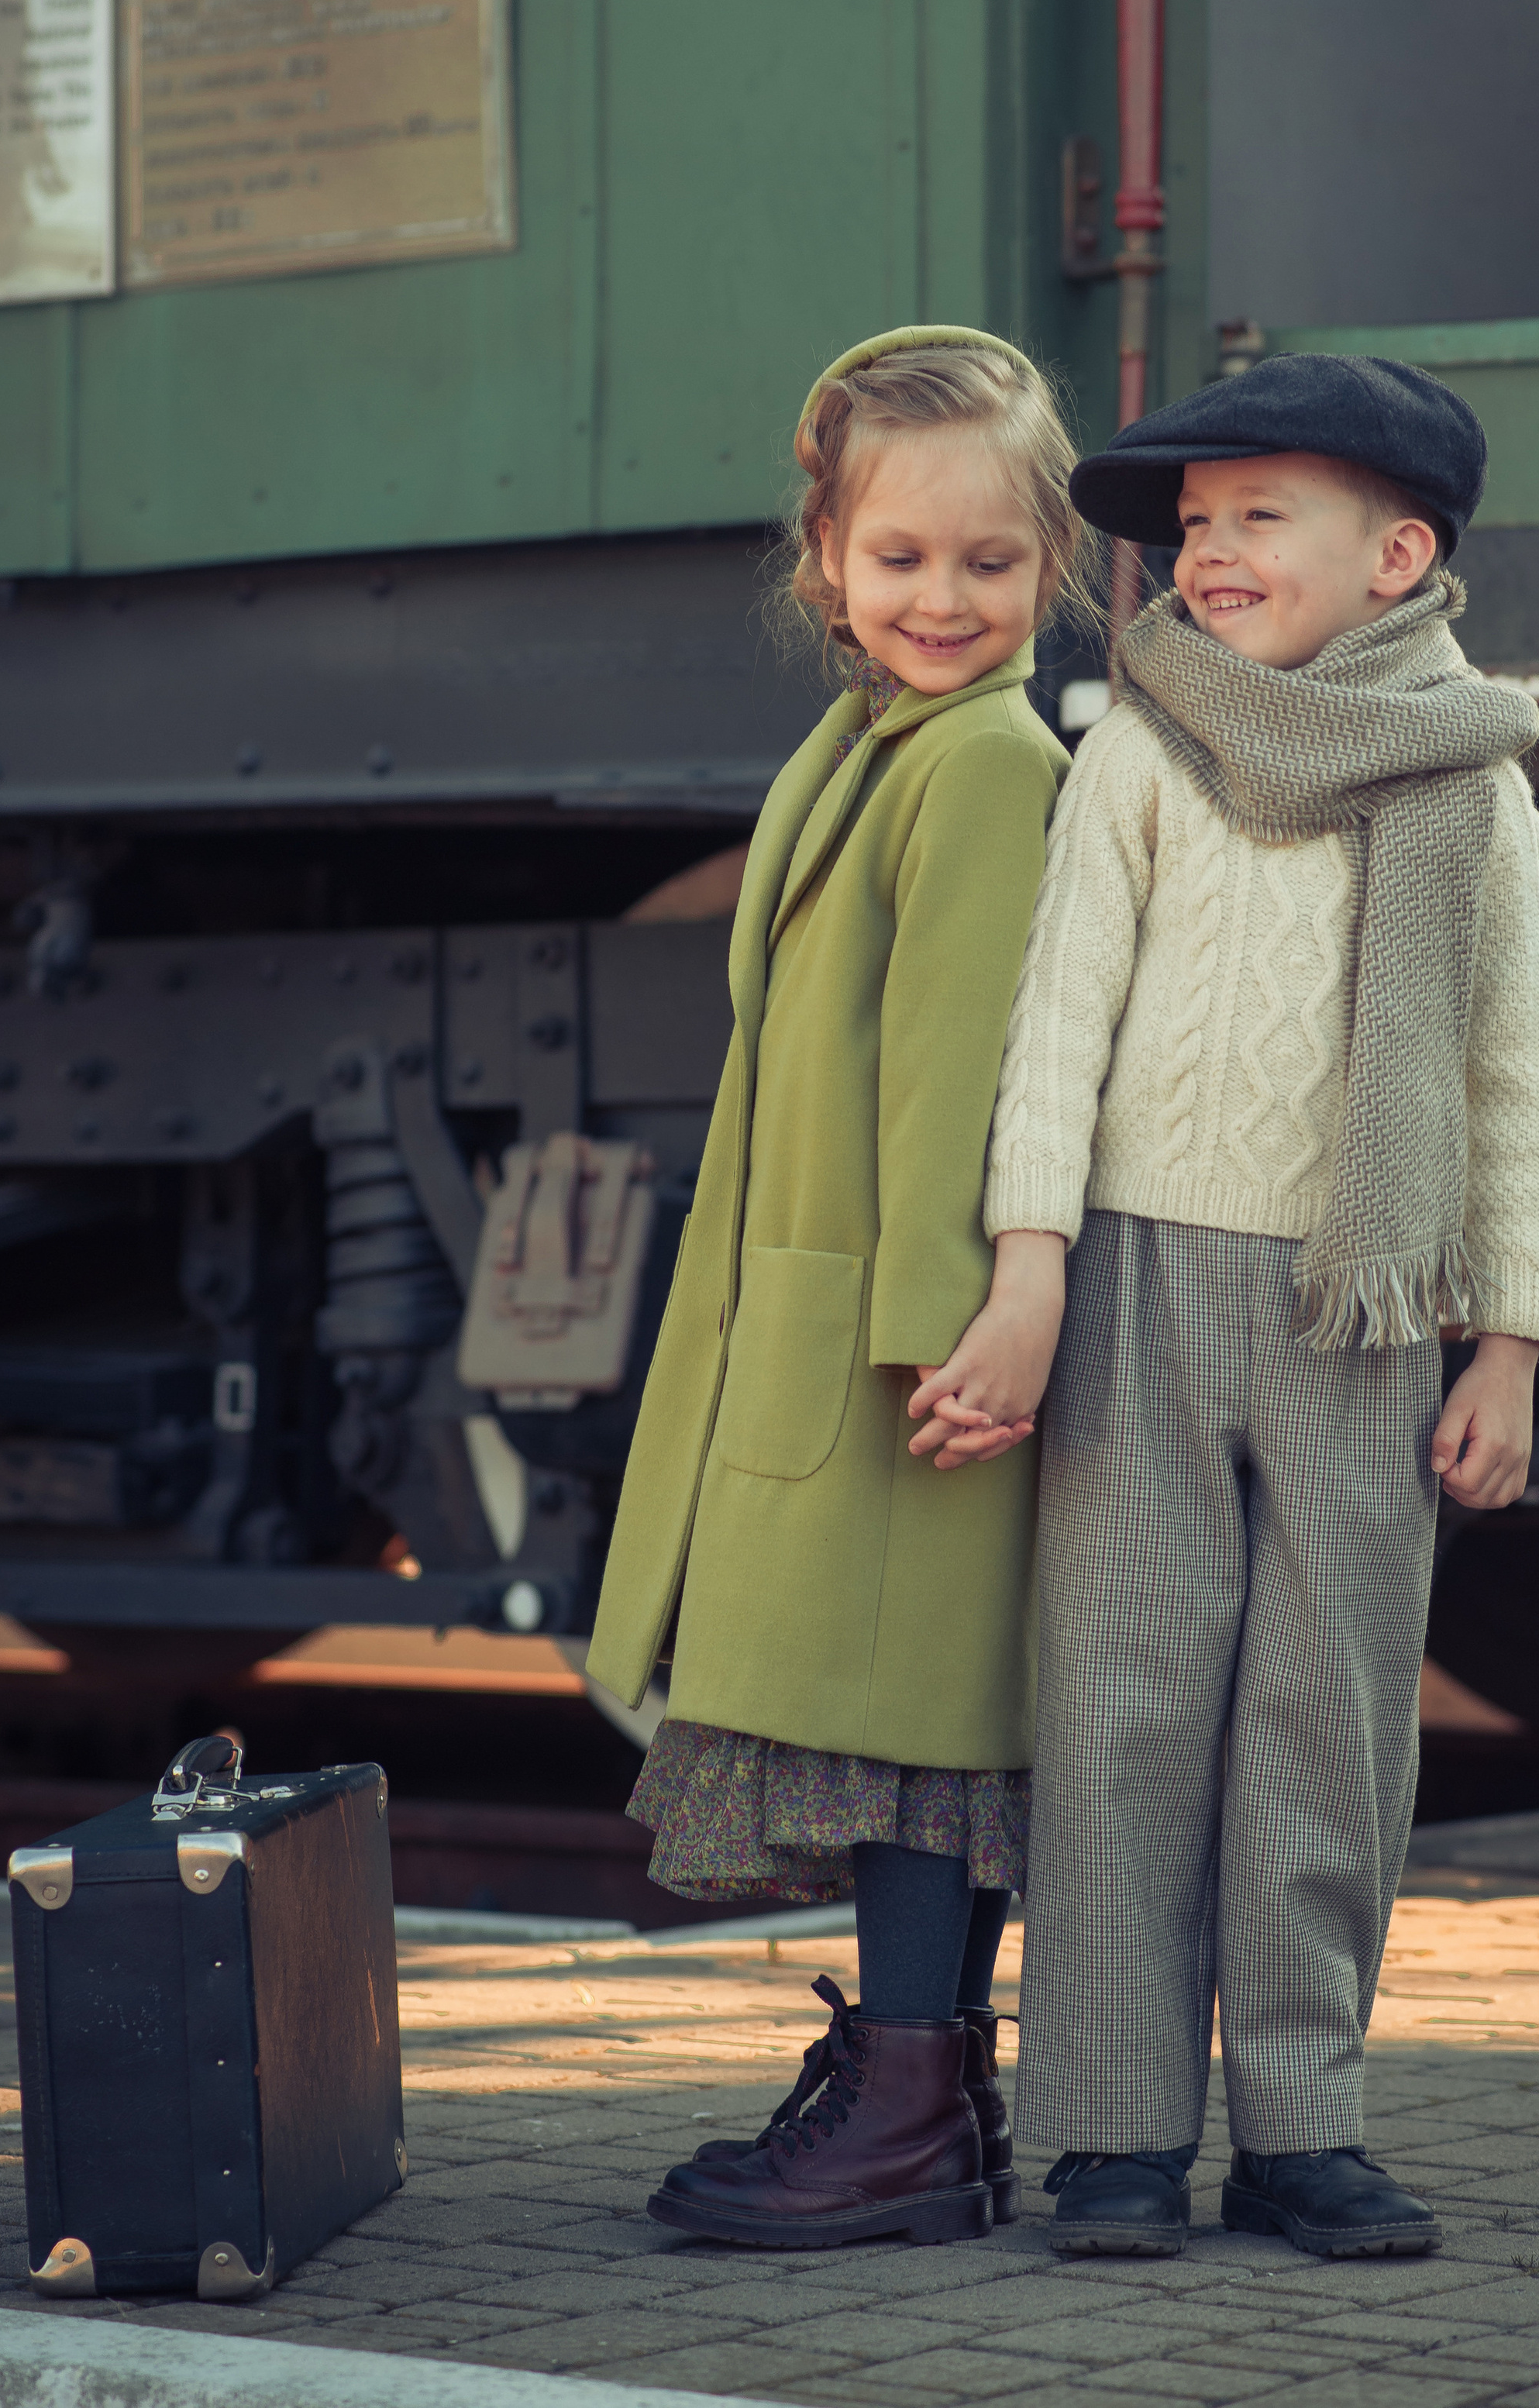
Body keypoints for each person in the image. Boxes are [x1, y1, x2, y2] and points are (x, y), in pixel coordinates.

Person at [916, 353, 1539, 2258]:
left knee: (1329, 1720)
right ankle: (1112, 2126)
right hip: (1135, 1277)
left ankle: (1303, 2123)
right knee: (1120, 1706)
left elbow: (1520, 1074)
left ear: (1396, 554)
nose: (1203, 555)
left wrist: (1512, 1342)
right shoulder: (1138, 744)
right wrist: (1030, 1261)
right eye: (1189, 527)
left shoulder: (1472, 780)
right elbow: (1057, 1026)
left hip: (1365, 1312)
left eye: (1251, 519)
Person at [584, 327, 1093, 2251]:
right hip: (844, 1312)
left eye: (987, 562)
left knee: (915, 1738)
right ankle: (916, 2099)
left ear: (1051, 563)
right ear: (826, 562)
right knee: (909, 1734)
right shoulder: (869, 743)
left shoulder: (976, 764)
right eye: (898, 561)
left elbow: (959, 1073)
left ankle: (903, 2111)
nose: (941, 600)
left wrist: (954, 1339)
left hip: (912, 1342)